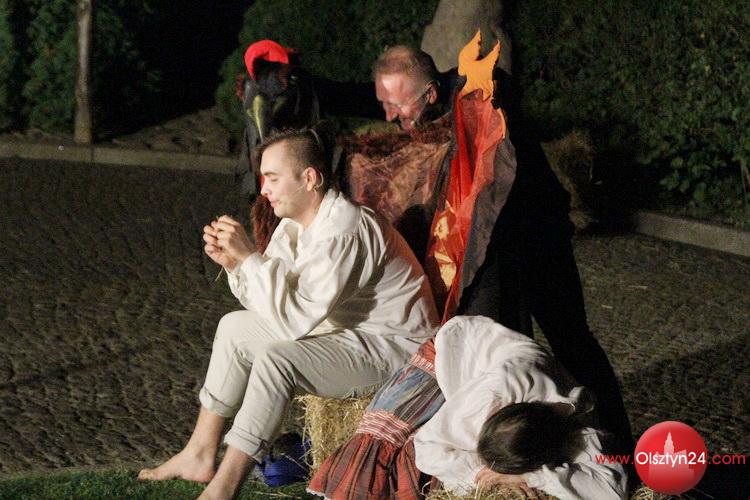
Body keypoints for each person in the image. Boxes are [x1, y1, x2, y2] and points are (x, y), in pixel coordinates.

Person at [309, 43, 632, 499]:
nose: (390, 116)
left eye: (397, 105)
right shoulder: (427, 115)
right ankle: (506, 444)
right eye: (383, 103)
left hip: (526, 239)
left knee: (570, 337)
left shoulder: (480, 101)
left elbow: (494, 178)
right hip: (486, 246)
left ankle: (618, 444)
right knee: (500, 348)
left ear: (430, 94)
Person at [138, 128, 439, 499]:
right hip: (344, 332)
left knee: (277, 359)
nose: (263, 190)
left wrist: (250, 258)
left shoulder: (345, 229)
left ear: (309, 178)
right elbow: (272, 305)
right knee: (233, 328)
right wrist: (236, 264)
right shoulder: (294, 226)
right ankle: (199, 453)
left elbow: (294, 322)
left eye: (273, 178)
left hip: (396, 351)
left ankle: (223, 488)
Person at [413, 315, 628, 499]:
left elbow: (612, 491)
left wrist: (530, 478)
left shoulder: (580, 427)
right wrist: (480, 474)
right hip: (458, 346)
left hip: (514, 366)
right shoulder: (488, 399)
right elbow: (426, 446)